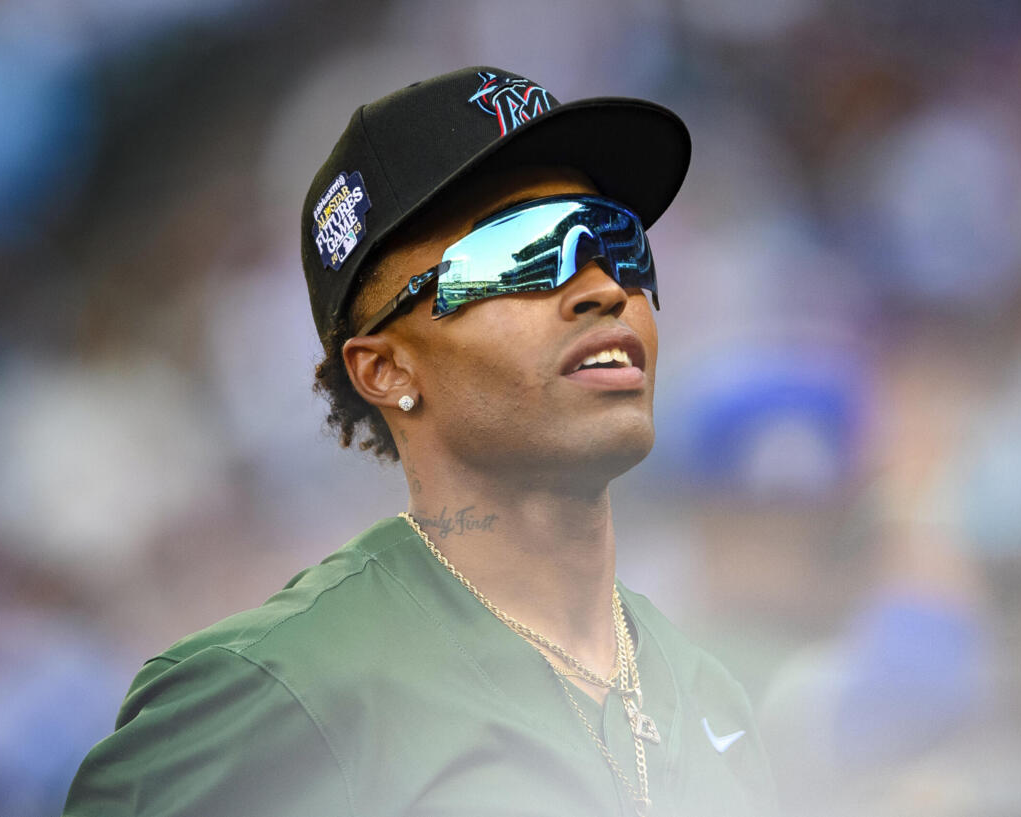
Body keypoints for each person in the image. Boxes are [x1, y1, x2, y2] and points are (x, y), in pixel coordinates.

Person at [62, 66, 778, 817]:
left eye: (618, 243)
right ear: (386, 367)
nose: (603, 287)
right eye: (526, 251)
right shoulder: (280, 688)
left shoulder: (709, 691)